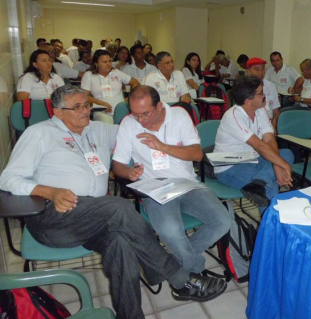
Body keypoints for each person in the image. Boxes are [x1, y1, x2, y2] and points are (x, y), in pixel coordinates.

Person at [0, 85, 227, 319]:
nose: (85, 111)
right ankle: (180, 278)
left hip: (94, 218)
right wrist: (50, 192)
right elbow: (7, 179)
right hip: (55, 216)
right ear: (58, 112)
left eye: (86, 105)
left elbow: (136, 126)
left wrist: (160, 137)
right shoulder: (38, 133)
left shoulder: (98, 129)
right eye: (76, 107)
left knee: (122, 246)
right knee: (118, 206)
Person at [112, 85, 231, 276]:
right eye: (136, 114)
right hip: (155, 186)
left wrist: (162, 146)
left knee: (223, 221)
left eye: (145, 114)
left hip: (187, 184)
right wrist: (128, 173)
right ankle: (195, 270)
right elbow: (117, 165)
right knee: (171, 230)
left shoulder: (179, 115)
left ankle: (170, 265)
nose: (140, 120)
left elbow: (197, 154)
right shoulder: (128, 123)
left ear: (159, 106)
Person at [214, 76, 294, 210]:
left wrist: (277, 165)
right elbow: (259, 145)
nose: (265, 96)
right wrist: (284, 165)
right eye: (261, 93)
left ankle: (259, 182)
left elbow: (269, 139)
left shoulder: (260, 110)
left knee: (287, 153)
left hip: (253, 158)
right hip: (229, 165)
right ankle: (269, 228)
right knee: (270, 187)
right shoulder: (233, 116)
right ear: (248, 100)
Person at [81, 49, 139, 124]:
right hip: (102, 110)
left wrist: (129, 98)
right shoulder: (89, 75)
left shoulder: (116, 72)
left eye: (109, 61)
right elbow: (84, 96)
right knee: (107, 124)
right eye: (104, 62)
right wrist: (103, 104)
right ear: (96, 63)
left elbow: (136, 83)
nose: (108, 64)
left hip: (121, 109)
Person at [245, 57, 281, 130]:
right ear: (248, 71)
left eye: (263, 69)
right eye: (257, 69)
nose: (260, 72)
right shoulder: (244, 87)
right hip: (250, 124)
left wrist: (273, 126)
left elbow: (276, 111)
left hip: (268, 123)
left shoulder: (271, 86)